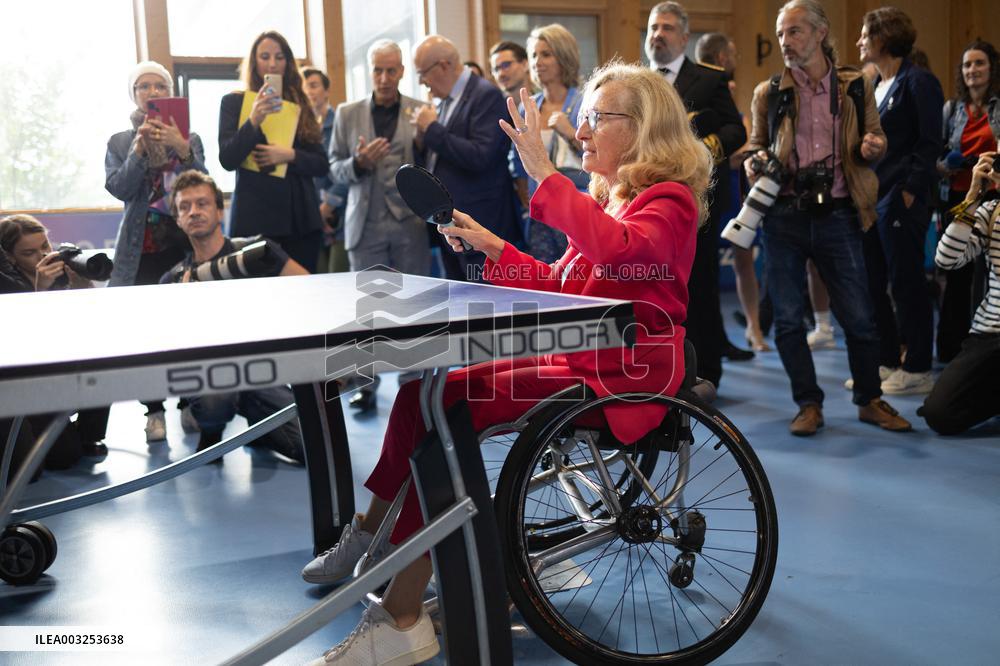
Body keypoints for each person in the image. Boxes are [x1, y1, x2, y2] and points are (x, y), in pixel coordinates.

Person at [303, 61, 712, 665]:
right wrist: (493, 246)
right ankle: (374, 531)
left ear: (645, 127)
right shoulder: (613, 200)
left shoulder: (667, 201)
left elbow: (622, 254)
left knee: (446, 404)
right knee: (424, 392)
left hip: (621, 378)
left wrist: (545, 174)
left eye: (599, 118)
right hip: (580, 361)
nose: (584, 130)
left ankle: (402, 612)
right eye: (586, 117)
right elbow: (555, 284)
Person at [745, 0, 911, 436]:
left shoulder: (855, 86)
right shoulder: (770, 93)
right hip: (783, 215)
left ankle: (869, 399)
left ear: (820, 34)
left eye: (794, 31)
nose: (785, 41)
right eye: (781, 33)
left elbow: (875, 135)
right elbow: (754, 147)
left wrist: (874, 145)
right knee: (786, 319)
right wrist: (754, 161)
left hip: (839, 211)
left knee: (859, 315)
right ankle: (808, 403)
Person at [160, 170, 307, 464]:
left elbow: (308, 287)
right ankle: (210, 433)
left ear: (219, 209)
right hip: (209, 374)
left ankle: (260, 426)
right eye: (185, 207)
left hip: (262, 369)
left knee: (309, 448)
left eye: (202, 203)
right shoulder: (173, 279)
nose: (194, 212)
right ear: (177, 219)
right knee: (217, 398)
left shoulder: (257, 251)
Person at [647, 1, 750, 385]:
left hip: (697, 202)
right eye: (653, 27)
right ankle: (660, 372)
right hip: (647, 205)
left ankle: (706, 373)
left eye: (667, 28)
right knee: (654, 288)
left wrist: (701, 152)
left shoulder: (708, 78)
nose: (658, 34)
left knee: (698, 289)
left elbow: (735, 130)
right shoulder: (639, 82)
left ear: (685, 37)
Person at [105, 60, 207, 443]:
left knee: (187, 331)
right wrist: (137, 154)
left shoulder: (190, 136)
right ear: (134, 95)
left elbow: (205, 187)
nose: (152, 92)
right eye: (143, 86)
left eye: (159, 86)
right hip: (139, 252)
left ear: (170, 92)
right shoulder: (118, 141)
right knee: (144, 334)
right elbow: (119, 188)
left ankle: (188, 405)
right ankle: (154, 411)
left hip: (183, 248)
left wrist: (182, 149)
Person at [328, 39, 431, 413]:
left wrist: (422, 144)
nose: (384, 77)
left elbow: (431, 168)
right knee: (366, 309)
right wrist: (357, 163)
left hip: (408, 223)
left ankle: (412, 386)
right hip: (365, 222)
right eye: (378, 70)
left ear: (402, 71)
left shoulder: (420, 111)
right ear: (369, 71)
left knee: (414, 308)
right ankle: (363, 384)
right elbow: (333, 168)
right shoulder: (346, 113)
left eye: (392, 70)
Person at [856, 7, 943, 395]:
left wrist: (909, 191)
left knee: (906, 283)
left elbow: (929, 142)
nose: (859, 41)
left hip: (901, 199)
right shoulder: (874, 84)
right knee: (874, 283)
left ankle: (919, 365)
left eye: (864, 35)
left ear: (883, 37)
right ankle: (888, 359)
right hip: (873, 200)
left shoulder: (918, 81)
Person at [0, 214, 111, 467]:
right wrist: (41, 292)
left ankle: (89, 434)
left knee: (102, 358)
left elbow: (97, 326)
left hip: (62, 368)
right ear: (9, 257)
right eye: (29, 252)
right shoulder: (8, 287)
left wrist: (84, 288)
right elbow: (22, 346)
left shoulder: (62, 271)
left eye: (45, 247)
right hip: (28, 382)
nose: (42, 256)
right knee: (63, 458)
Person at [410, 35, 521, 281]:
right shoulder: (443, 101)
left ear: (443, 66)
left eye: (423, 73)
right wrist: (421, 138)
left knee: (486, 307)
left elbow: (481, 157)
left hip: (482, 224)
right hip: (451, 226)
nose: (422, 82)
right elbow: (440, 158)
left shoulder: (486, 95)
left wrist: (432, 129)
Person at [219, 30, 329, 273]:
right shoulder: (234, 103)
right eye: (265, 56)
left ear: (288, 62)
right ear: (254, 62)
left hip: (299, 219)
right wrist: (253, 120)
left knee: (304, 296)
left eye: (279, 57)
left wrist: (289, 155)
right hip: (254, 219)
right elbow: (227, 159)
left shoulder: (301, 104)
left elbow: (322, 164)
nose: (272, 63)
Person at [697, 31, 771, 354]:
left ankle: (753, 330)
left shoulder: (722, 88)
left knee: (742, 258)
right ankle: (735, 335)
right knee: (714, 266)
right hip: (718, 184)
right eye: (734, 54)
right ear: (724, 58)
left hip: (736, 186)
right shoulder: (716, 89)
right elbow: (736, 145)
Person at [920, 150, 1000, 434]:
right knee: (938, 414)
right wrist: (971, 197)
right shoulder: (991, 211)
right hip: (990, 332)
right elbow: (947, 259)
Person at [936, 40, 1000, 363]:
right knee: (955, 275)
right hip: (960, 198)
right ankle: (952, 351)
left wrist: (981, 161)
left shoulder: (999, 107)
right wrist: (953, 163)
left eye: (979, 63)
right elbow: (937, 161)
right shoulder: (952, 109)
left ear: (992, 68)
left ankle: (985, 351)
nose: (972, 70)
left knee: (989, 275)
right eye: (967, 65)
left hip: (994, 198)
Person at [511, 23, 587, 263]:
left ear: (564, 57)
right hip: (539, 209)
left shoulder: (585, 100)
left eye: (546, 54)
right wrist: (522, 187)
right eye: (533, 55)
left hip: (575, 206)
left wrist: (569, 131)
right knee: (545, 277)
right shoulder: (528, 104)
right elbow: (517, 153)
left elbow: (599, 153)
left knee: (576, 277)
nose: (537, 61)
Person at [302, 67, 349, 274]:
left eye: (313, 86)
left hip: (341, 216)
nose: (308, 92)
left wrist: (328, 205)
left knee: (340, 280)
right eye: (304, 88)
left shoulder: (342, 122)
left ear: (326, 90)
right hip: (311, 220)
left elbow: (348, 170)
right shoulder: (301, 130)